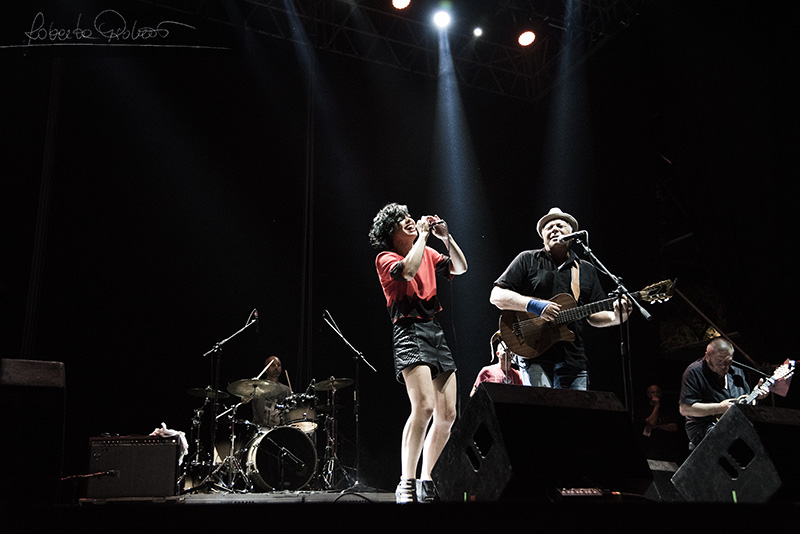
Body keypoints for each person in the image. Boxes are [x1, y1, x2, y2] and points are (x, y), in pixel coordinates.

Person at [369, 202, 468, 503]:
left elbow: (460, 267)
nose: (411, 221)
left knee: (448, 413)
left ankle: (428, 480)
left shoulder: (427, 249)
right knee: (424, 407)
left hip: (434, 330)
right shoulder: (385, 258)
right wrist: (423, 236)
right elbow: (408, 272)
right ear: (391, 231)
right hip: (409, 329)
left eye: (411, 218)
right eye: (403, 220)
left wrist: (446, 238)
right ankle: (406, 482)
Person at [489, 207, 631, 390]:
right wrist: (535, 306)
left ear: (572, 234)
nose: (554, 229)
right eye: (548, 227)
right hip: (534, 353)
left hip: (573, 358)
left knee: (574, 416)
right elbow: (497, 296)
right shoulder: (527, 259)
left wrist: (616, 317)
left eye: (559, 225)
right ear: (543, 237)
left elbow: (593, 314)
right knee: (544, 413)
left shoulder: (586, 269)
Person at [679, 337, 765, 448]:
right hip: (704, 427)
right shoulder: (694, 372)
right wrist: (720, 407)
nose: (724, 366)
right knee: (725, 438)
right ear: (707, 356)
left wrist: (757, 396)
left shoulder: (737, 372)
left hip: (736, 425)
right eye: (719, 361)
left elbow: (745, 402)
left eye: (728, 362)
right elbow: (685, 409)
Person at [240, 355, 292, 429]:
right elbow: (244, 400)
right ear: (266, 369)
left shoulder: (286, 390)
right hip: (260, 429)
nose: (276, 367)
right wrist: (249, 390)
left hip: (280, 429)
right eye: (273, 365)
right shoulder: (257, 386)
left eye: (279, 365)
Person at [638, 384, 685, 462]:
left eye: (658, 392)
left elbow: (674, 427)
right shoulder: (644, 408)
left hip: (666, 446)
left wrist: (658, 426)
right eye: (653, 393)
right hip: (650, 446)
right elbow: (651, 423)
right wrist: (656, 406)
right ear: (648, 394)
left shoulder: (667, 409)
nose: (656, 395)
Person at [470, 331, 523, 397]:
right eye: (506, 350)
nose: (510, 353)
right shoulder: (487, 371)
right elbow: (474, 393)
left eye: (511, 350)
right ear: (498, 354)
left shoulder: (518, 374)